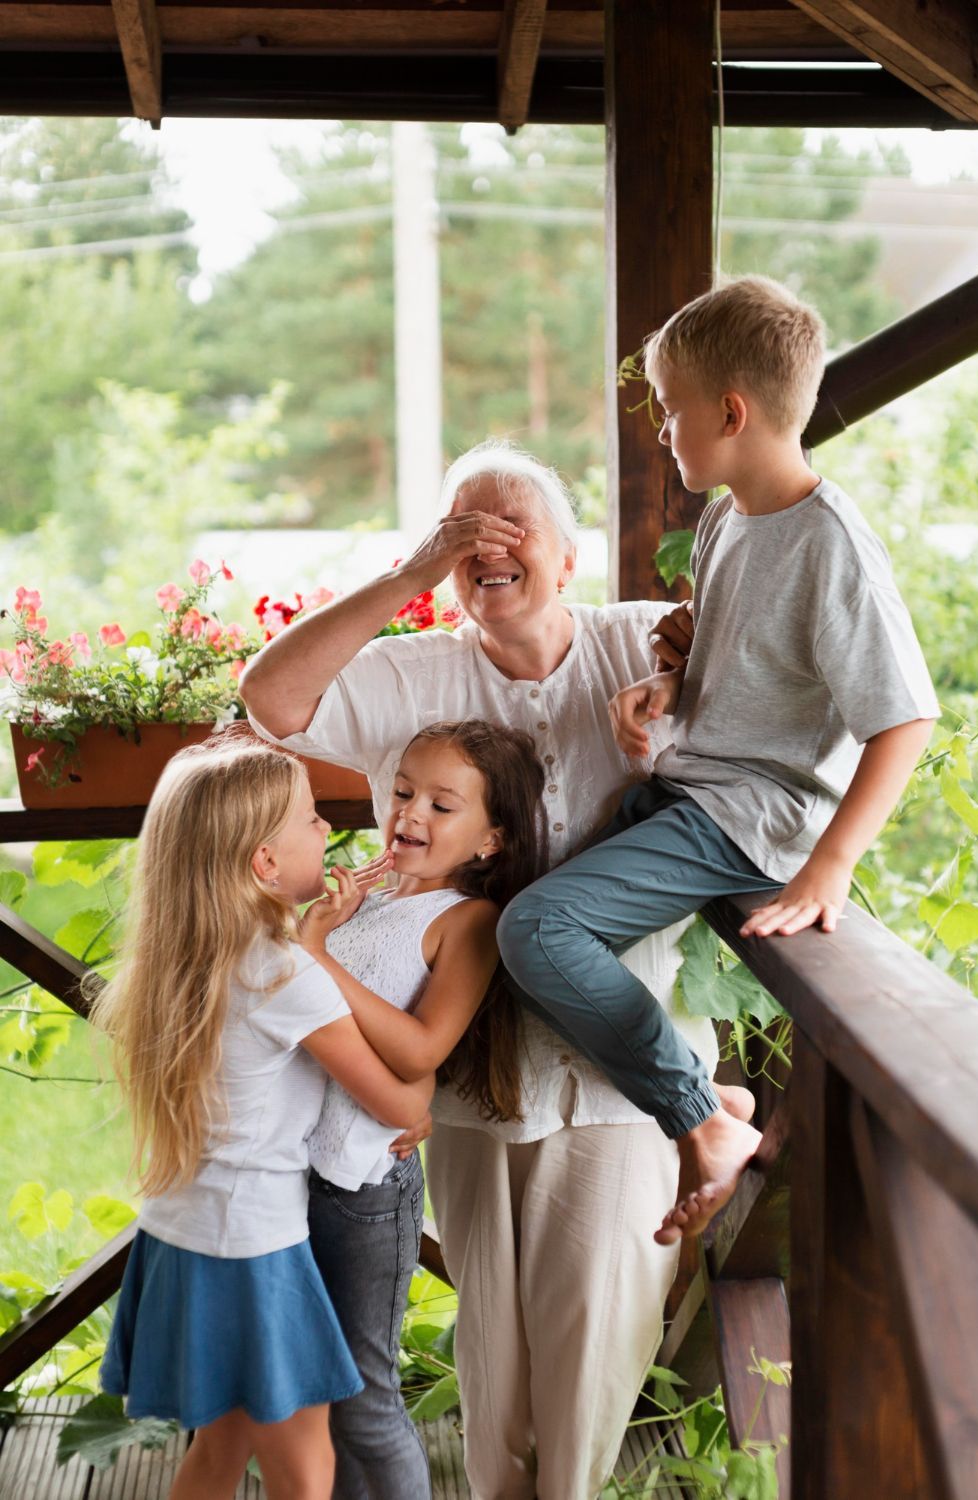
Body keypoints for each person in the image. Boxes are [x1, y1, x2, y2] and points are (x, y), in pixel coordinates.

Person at [239, 441, 731, 1500]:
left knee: (595, 1351)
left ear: (566, 554)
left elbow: (769, 729)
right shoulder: (409, 672)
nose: (489, 549)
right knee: (494, 1363)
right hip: (470, 1079)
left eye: (513, 529)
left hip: (617, 1075)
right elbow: (271, 704)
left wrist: (670, 731)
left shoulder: (635, 639)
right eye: (467, 531)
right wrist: (410, 574)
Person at [497, 274, 940, 1246]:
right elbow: (737, 645)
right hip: (686, 790)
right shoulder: (731, 516)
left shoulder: (833, 547)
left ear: (730, 412)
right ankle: (712, 1110)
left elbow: (901, 720)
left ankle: (700, 1119)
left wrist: (830, 865)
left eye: (670, 411)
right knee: (509, 901)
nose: (661, 431)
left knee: (536, 933)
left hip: (748, 818)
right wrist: (675, 676)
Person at [93, 732, 435, 1500]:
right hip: (255, 1254)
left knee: (221, 1447)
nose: (326, 828)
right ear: (264, 864)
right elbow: (404, 1101)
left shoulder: (174, 960)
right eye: (311, 817)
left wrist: (309, 936)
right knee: (305, 1468)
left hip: (180, 1235)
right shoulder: (284, 976)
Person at [302, 718, 547, 1500]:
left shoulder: (465, 921)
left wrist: (311, 953)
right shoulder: (364, 902)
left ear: (489, 841)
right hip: (296, 1170)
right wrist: (320, 930)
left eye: (443, 806)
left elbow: (418, 1048)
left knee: (362, 1398)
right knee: (312, 1386)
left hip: (366, 1187)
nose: (410, 815)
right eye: (404, 793)